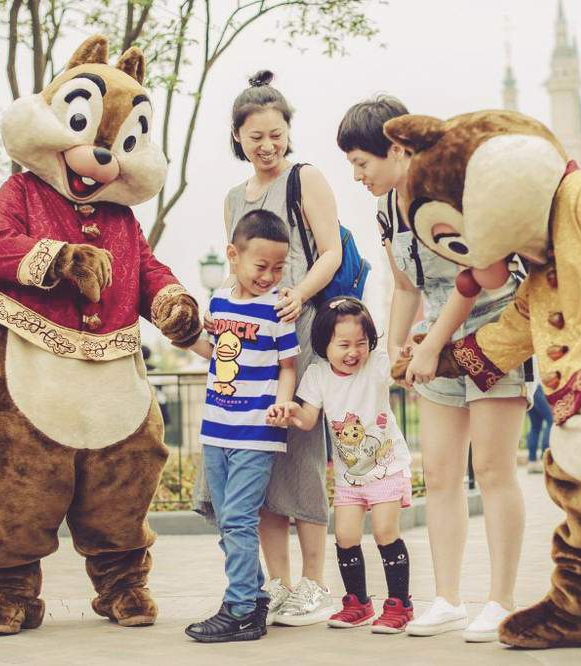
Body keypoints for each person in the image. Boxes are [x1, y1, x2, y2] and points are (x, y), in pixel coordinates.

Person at [337, 95, 528, 641]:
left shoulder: (446, 188)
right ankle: (447, 599)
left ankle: (502, 602)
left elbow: (476, 275)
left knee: (492, 470)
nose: (356, 174)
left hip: (496, 333)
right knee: (441, 475)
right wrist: (395, 348)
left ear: (396, 149)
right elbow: (405, 284)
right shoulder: (385, 211)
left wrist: (429, 347)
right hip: (434, 342)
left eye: (361, 162)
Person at [195, 70, 343, 627]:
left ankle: (314, 584)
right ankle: (277, 585)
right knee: (261, 468)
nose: (267, 144)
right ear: (238, 136)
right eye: (255, 135)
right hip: (247, 348)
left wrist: (296, 296)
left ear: (288, 131)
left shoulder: (306, 178)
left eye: (276, 133)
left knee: (301, 458)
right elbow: (237, 266)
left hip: (298, 333)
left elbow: (328, 251)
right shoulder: (235, 197)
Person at [184, 210, 300, 643]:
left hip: (257, 431)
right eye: (261, 266)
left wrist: (284, 401)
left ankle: (239, 609)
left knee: (238, 518)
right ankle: (251, 600)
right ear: (233, 256)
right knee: (225, 521)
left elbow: (288, 366)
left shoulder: (279, 309)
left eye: (277, 267)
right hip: (216, 430)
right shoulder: (218, 303)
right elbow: (212, 354)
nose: (270, 276)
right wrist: (183, 328)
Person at [268, 298, 415, 634]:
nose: (353, 352)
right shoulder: (318, 374)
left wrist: (405, 361)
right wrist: (289, 411)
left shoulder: (376, 363)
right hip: (351, 477)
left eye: (361, 343)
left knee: (384, 531)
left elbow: (395, 371)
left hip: (387, 466)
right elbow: (307, 420)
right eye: (344, 344)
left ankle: (399, 605)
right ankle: (358, 603)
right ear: (325, 343)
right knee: (346, 536)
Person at [525, 384, 551, 474]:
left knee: (535, 426)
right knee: (551, 420)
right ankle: (545, 460)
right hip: (539, 387)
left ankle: (532, 461)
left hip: (529, 389)